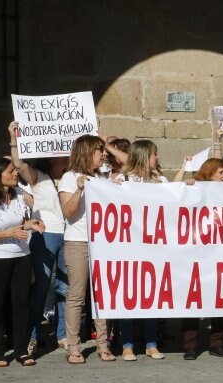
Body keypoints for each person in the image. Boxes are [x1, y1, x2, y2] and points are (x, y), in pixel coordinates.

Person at [8, 121, 69, 355]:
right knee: (42, 286)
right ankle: (32, 335)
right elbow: (19, 163)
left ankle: (63, 334)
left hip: (69, 235)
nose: (66, 154)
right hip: (46, 235)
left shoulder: (70, 177)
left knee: (65, 287)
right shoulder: (39, 176)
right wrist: (14, 138)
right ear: (52, 157)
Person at [58, 135, 115, 364]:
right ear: (86, 152)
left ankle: (103, 345)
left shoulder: (103, 177)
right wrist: (79, 190)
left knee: (103, 295)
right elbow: (68, 212)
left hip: (102, 242)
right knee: (77, 296)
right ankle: (74, 347)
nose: (103, 154)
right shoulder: (69, 178)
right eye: (99, 150)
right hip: (78, 242)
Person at [115, 140, 166, 361]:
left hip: (154, 247)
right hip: (128, 247)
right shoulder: (121, 181)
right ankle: (127, 344)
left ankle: (151, 343)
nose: (158, 159)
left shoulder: (160, 181)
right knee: (129, 295)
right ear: (145, 156)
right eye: (155, 154)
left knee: (152, 296)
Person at [0, 157, 45, 367]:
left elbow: (20, 224)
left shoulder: (17, 195)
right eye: (11, 171)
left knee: (20, 304)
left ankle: (20, 349)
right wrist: (8, 232)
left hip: (21, 256)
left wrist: (30, 224)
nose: (15, 173)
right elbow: (8, 229)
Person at [182, 157, 223, 360]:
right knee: (192, 300)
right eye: (220, 172)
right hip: (196, 253)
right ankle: (190, 346)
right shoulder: (195, 190)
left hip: (221, 253)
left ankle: (217, 343)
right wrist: (187, 185)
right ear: (209, 174)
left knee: (220, 298)